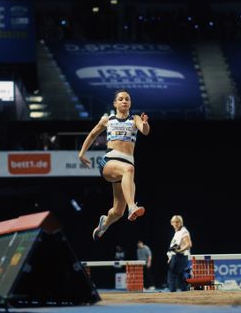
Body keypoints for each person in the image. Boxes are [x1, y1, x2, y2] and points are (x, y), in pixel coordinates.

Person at [78, 89, 150, 240]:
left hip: (124, 169)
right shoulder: (107, 119)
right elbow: (92, 135)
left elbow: (145, 131)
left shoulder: (134, 118)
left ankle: (104, 223)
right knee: (129, 170)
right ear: (115, 103)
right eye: (121, 99)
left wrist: (145, 124)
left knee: (118, 212)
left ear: (130, 103)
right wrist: (82, 153)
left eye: (127, 99)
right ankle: (132, 206)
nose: (124, 101)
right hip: (109, 162)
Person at [166, 214, 192, 292]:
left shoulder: (183, 231)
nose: (176, 224)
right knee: (180, 277)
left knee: (171, 275)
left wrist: (179, 251)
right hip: (176, 256)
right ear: (171, 223)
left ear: (181, 222)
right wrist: (170, 257)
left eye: (177, 222)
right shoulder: (177, 232)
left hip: (180, 256)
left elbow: (189, 244)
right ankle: (184, 292)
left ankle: (173, 292)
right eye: (174, 222)